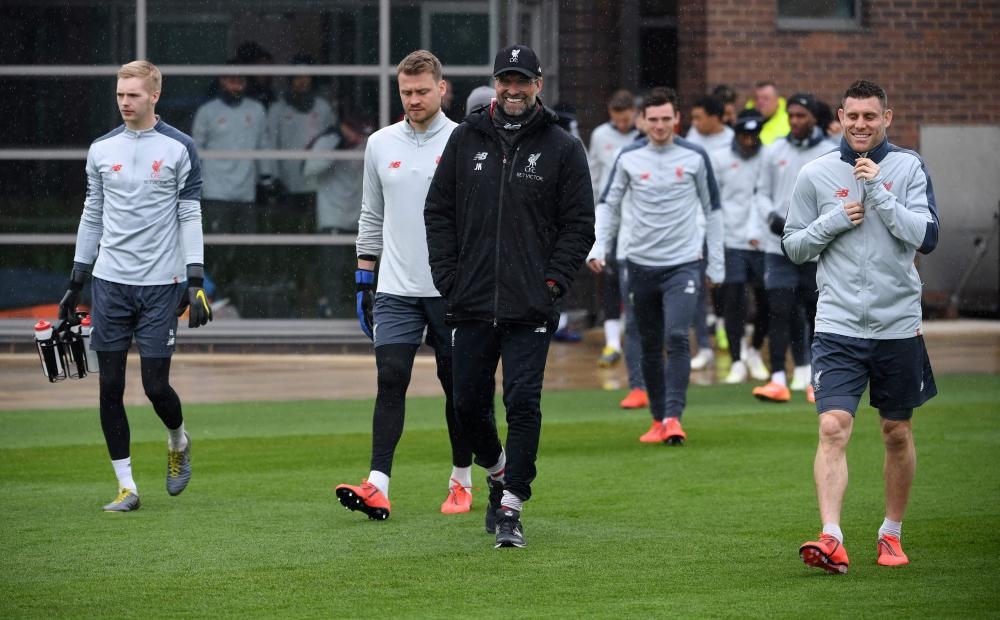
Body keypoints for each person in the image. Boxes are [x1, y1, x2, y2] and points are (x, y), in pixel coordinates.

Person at [424, 44, 595, 548]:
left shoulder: (563, 147)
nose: (513, 90)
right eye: (505, 80)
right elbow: (439, 212)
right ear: (495, 83)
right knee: (467, 405)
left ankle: (511, 505)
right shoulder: (465, 139)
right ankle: (498, 469)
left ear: (539, 84)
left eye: (522, 81)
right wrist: (447, 275)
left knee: (523, 402)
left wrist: (552, 283)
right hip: (470, 299)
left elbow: (578, 226)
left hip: (530, 305)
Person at [783, 79, 939, 573]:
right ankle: (831, 537)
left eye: (870, 117)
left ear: (887, 118)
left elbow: (928, 236)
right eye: (852, 117)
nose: (860, 125)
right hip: (837, 326)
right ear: (840, 119)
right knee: (833, 426)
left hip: (897, 327)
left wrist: (880, 194)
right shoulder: (815, 174)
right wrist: (832, 221)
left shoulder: (909, 167)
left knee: (896, 432)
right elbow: (794, 246)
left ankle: (890, 533)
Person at [57, 60, 211, 512]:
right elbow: (92, 213)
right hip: (110, 283)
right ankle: (127, 487)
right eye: (120, 94)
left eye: (134, 95)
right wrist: (75, 281)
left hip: (162, 284)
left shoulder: (180, 147)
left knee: (155, 387)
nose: (125, 102)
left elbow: (189, 213)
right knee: (110, 387)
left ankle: (178, 441)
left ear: (154, 96)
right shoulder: (102, 149)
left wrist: (195, 278)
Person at [334, 50, 476, 521]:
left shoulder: (464, 141)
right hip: (395, 288)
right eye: (406, 92)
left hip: (451, 290)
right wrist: (363, 279)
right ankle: (377, 484)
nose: (413, 100)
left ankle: (462, 478)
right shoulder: (379, 143)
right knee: (390, 379)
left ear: (441, 89)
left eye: (421, 91)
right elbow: (371, 214)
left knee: (458, 389)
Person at [588, 87, 724, 446]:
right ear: (642, 121)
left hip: (683, 264)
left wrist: (717, 263)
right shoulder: (628, 157)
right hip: (640, 265)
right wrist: (599, 246)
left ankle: (674, 417)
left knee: (677, 336)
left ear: (676, 119)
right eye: (654, 119)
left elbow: (713, 210)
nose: (660, 125)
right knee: (648, 343)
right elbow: (609, 205)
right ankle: (657, 418)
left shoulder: (694, 156)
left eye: (667, 119)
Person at [750, 93, 837, 404]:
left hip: (816, 248)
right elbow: (761, 192)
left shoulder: (830, 152)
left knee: (817, 314)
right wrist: (771, 217)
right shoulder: (775, 151)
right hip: (779, 247)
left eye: (802, 116)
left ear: (814, 118)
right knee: (778, 310)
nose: (796, 121)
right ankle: (777, 379)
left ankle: (817, 379)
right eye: (792, 116)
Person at [190, 60, 275, 309]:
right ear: (221, 80)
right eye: (230, 79)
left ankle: (238, 298)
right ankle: (215, 296)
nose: (236, 83)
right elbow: (196, 151)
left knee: (245, 250)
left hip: (246, 193)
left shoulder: (257, 110)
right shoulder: (208, 112)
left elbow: (264, 146)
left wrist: (267, 180)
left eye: (240, 79)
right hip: (216, 192)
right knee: (217, 248)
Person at [712, 110, 771, 384]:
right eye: (744, 135)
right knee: (733, 300)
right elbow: (713, 203)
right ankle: (736, 359)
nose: (749, 141)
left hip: (763, 242)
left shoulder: (769, 157)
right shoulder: (720, 159)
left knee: (766, 300)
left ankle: (755, 350)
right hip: (731, 241)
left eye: (753, 135)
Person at [588, 89, 639, 368]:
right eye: (617, 120)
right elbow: (594, 177)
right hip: (609, 219)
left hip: (636, 219)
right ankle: (612, 342)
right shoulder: (600, 136)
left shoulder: (642, 135)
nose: (622, 125)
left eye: (626, 119)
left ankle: (639, 335)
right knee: (609, 279)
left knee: (635, 279)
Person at [686, 95, 736, 371]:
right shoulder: (692, 138)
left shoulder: (732, 142)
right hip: (695, 224)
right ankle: (703, 345)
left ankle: (724, 329)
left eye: (698, 117)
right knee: (695, 284)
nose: (694, 123)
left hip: (725, 225)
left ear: (715, 118)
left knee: (724, 283)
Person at [304, 116, 371, 318]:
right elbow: (309, 170)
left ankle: (357, 311)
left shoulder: (368, 144)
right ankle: (332, 310)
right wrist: (338, 150)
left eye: (364, 133)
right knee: (332, 270)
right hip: (332, 217)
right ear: (343, 127)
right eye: (356, 132)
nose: (360, 138)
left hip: (358, 219)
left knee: (358, 272)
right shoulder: (327, 142)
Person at [266, 53, 336, 232]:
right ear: (291, 79)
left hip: (317, 183)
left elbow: (331, 143)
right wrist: (273, 178)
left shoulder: (323, 108)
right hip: (287, 184)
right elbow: (270, 146)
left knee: (313, 231)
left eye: (306, 76)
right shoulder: (278, 110)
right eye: (297, 77)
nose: (302, 81)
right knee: (289, 233)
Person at [751, 81, 791, 145]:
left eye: (765, 98)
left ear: (777, 100)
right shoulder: (745, 121)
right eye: (756, 98)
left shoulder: (789, 122)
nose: (760, 102)